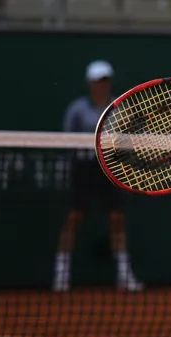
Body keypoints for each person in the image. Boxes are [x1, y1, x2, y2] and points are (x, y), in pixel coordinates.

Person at [54, 60, 143, 293]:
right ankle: (61, 275)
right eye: (97, 81)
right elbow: (67, 140)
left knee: (116, 219)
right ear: (90, 83)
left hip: (109, 170)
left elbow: (128, 142)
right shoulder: (77, 110)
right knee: (73, 217)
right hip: (82, 168)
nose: (102, 85)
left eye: (105, 81)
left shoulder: (120, 109)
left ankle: (124, 275)